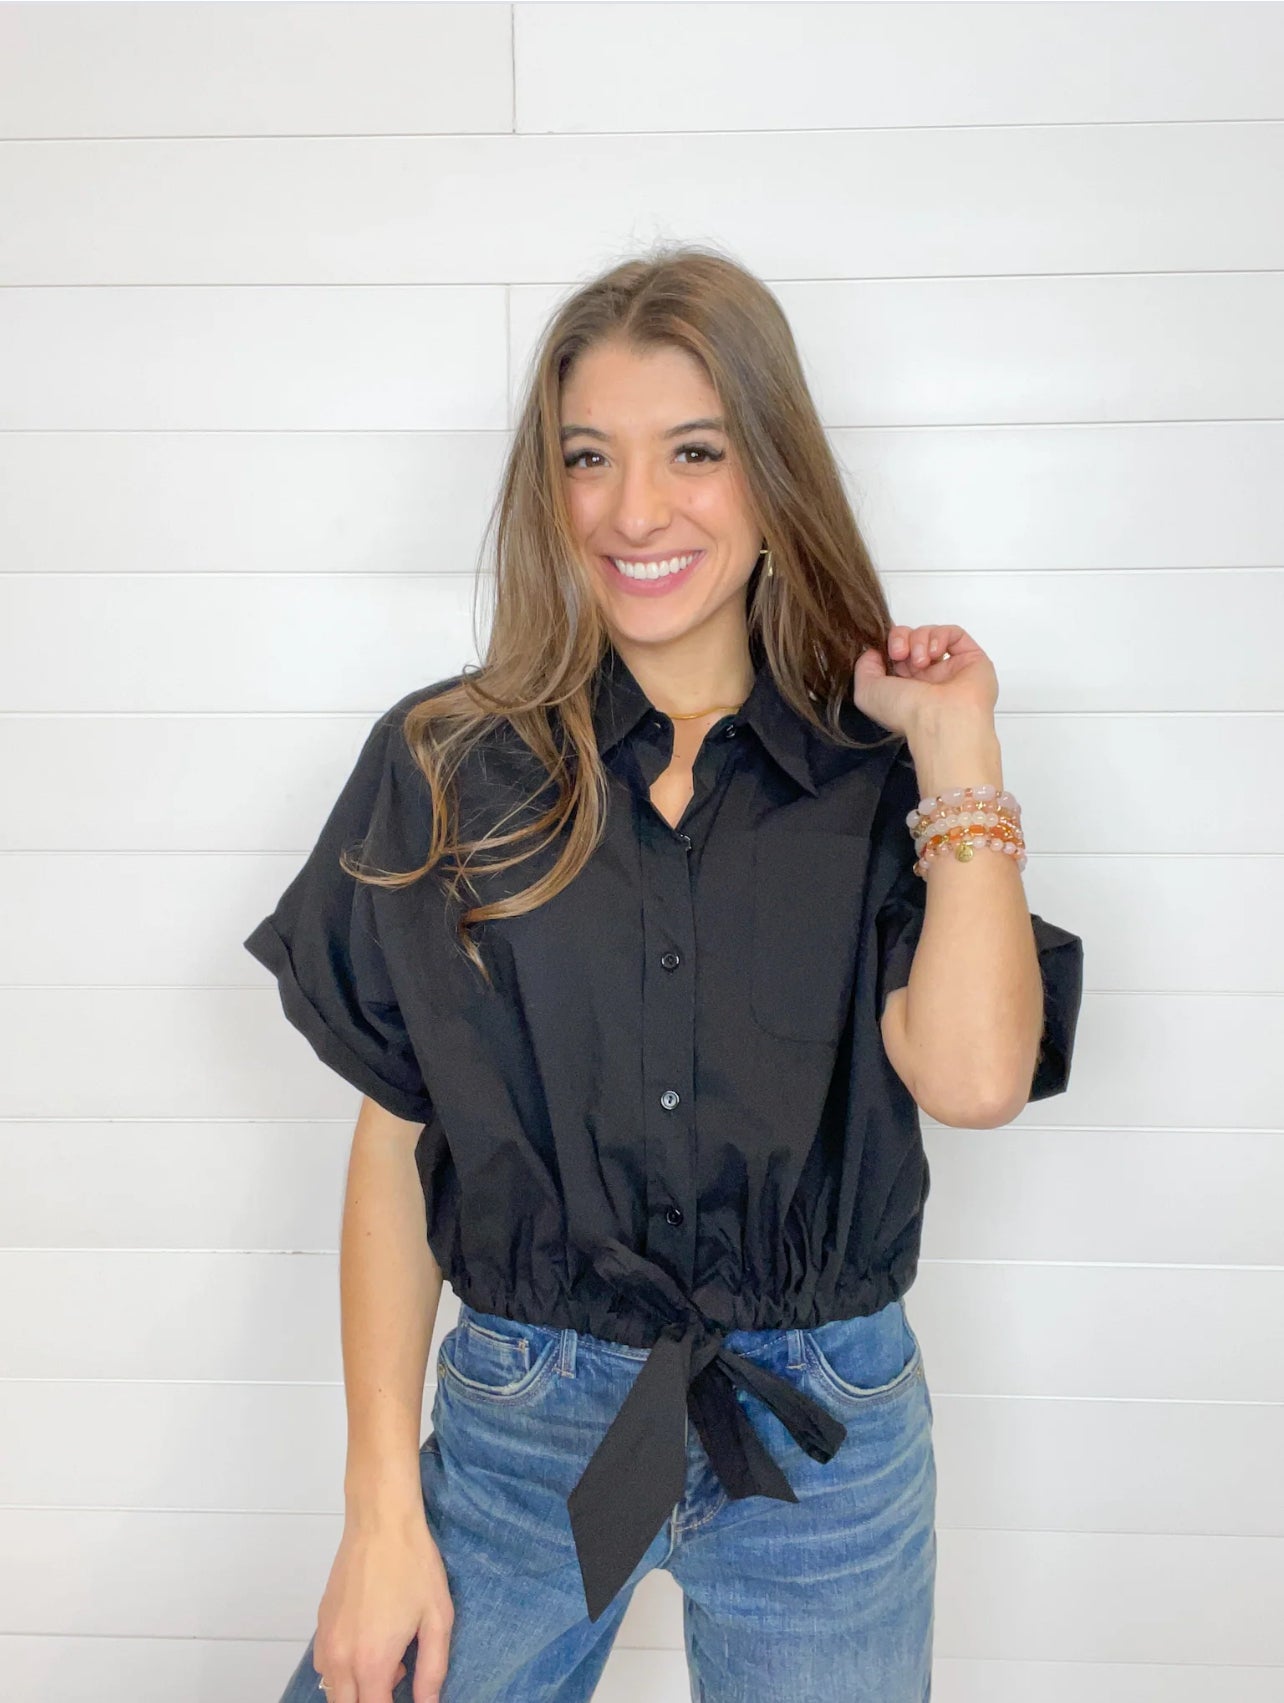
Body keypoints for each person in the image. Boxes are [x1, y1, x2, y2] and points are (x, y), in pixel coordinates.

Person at [245, 243, 1084, 1703]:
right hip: (528, 1424)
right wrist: (379, 1513)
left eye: (694, 451)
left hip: (822, 1439)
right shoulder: (447, 766)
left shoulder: (878, 776)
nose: (635, 510)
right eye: (589, 457)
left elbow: (974, 1080)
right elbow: (392, 1145)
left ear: (772, 472)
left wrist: (957, 745)